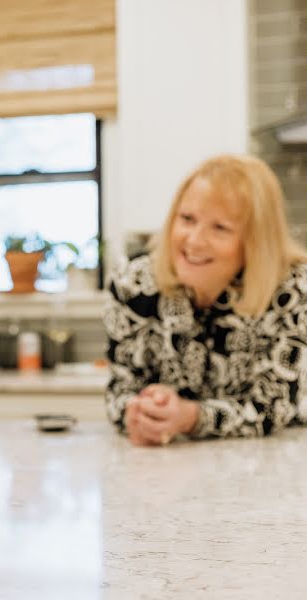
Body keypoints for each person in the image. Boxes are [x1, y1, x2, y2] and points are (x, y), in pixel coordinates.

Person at [104, 154, 307, 446]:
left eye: (220, 228)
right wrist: (142, 410)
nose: (195, 241)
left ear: (255, 240)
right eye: (187, 219)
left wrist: (189, 417)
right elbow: (119, 391)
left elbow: (273, 407)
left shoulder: (292, 289)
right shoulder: (131, 283)